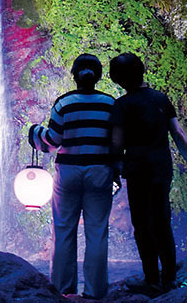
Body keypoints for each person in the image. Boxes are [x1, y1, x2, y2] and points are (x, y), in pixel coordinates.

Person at [109, 52, 187, 293]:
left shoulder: (122, 105)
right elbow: (178, 134)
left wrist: (114, 169)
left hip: (136, 170)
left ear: (120, 79)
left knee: (142, 224)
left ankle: (151, 278)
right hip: (161, 168)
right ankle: (170, 278)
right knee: (162, 221)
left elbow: (117, 143)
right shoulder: (161, 99)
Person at [28, 53, 116, 299]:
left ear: (74, 76)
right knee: (97, 231)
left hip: (68, 173)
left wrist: (35, 132)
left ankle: (63, 289)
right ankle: (95, 292)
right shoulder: (110, 104)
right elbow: (115, 141)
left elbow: (53, 141)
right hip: (100, 172)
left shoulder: (64, 103)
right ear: (98, 76)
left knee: (64, 230)